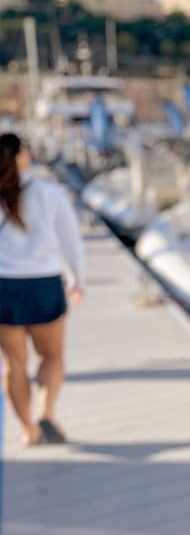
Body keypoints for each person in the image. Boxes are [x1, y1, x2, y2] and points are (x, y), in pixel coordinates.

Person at [0, 132, 86, 445]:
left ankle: (28, 431)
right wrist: (78, 279)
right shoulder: (48, 192)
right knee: (52, 356)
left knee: (13, 365)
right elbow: (71, 240)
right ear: (22, 156)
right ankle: (46, 412)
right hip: (44, 283)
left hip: (4, 287)